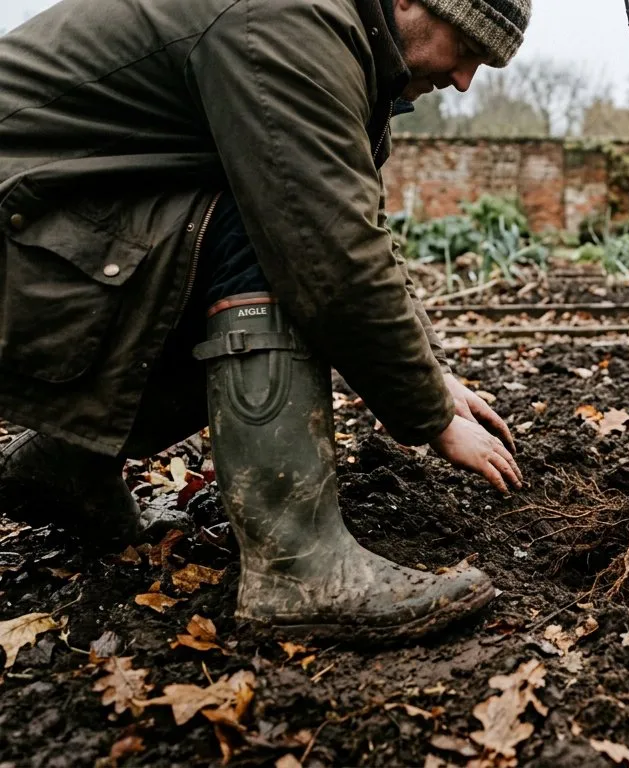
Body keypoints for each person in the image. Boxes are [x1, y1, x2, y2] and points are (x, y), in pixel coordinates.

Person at [0, 0, 531, 642]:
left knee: (280, 228)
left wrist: (429, 371)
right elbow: (328, 249)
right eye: (466, 45)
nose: (466, 79)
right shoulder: (284, 23)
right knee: (280, 242)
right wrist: (430, 416)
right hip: (23, 229)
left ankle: (68, 463)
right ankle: (299, 570)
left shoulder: (337, 40)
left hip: (51, 224)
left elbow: (359, 226)